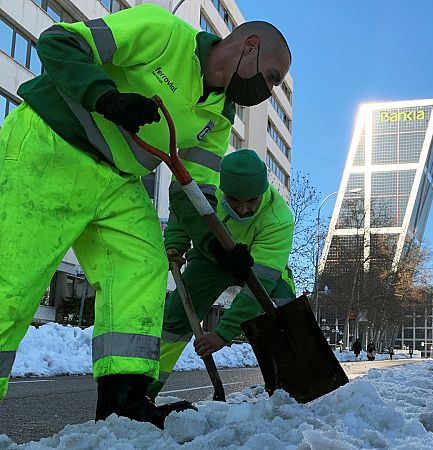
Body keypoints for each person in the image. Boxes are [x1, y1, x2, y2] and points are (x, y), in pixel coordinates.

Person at [0, 4, 290, 429]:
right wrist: (106, 97)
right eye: (271, 77)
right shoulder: (164, 32)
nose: (268, 91)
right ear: (250, 46)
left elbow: (195, 191)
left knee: (143, 264)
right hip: (52, 144)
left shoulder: (219, 116)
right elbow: (59, 42)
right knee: (11, 279)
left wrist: (216, 248)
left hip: (118, 177)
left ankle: (124, 402)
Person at [147, 150, 295, 399]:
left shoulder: (279, 219)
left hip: (254, 263)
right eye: (235, 200)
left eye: (251, 201)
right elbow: (183, 215)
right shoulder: (207, 192)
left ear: (262, 191)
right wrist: (174, 244)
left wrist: (223, 334)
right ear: (224, 190)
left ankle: (288, 388)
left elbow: (259, 287)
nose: (243, 208)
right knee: (175, 319)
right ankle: (142, 391)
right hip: (211, 259)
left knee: (283, 306)